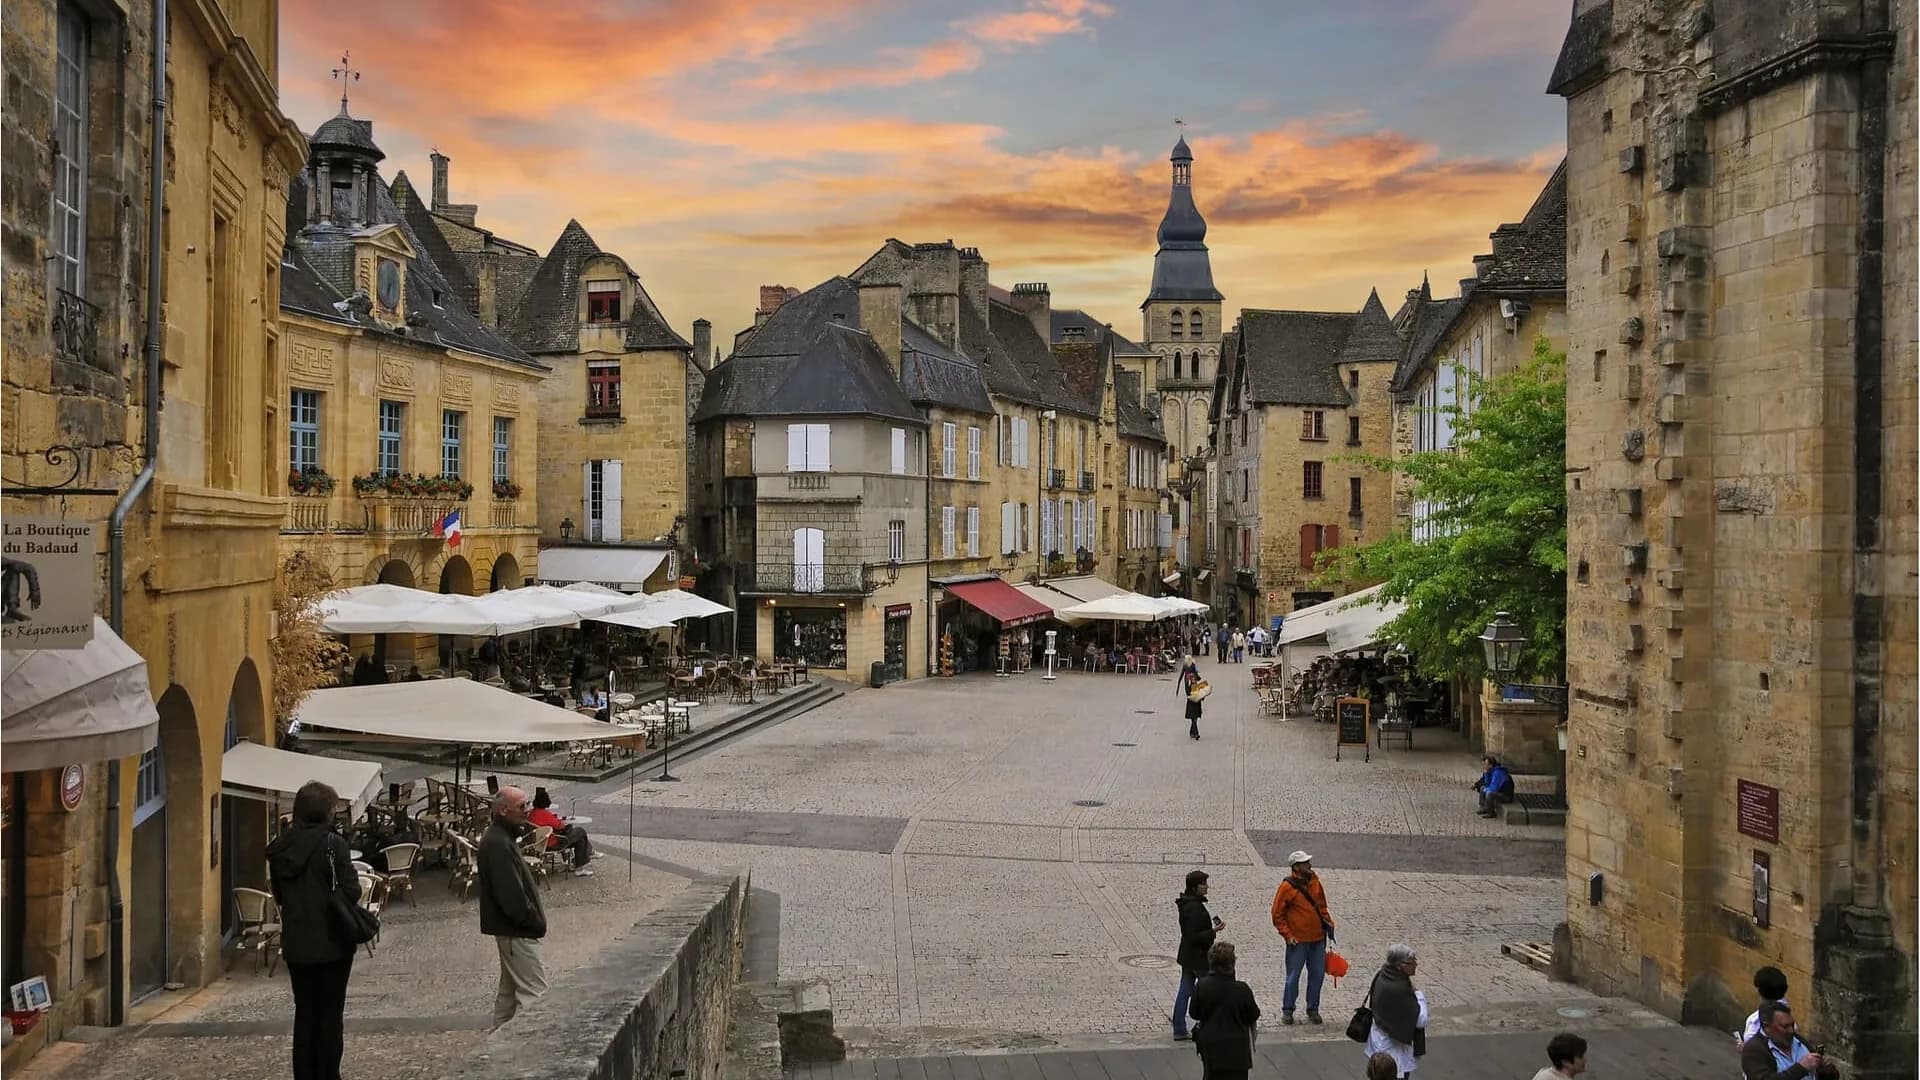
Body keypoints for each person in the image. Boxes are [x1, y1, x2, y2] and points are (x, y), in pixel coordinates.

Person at [266, 780, 359, 1080]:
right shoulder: (333, 845)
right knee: (330, 1016)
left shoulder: (280, 848)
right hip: (333, 942)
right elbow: (352, 891)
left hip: (297, 942)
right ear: (325, 812)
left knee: (305, 1013)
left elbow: (279, 896)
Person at [478, 785, 549, 1025]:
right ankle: (532, 1045)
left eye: (527, 804)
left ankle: (498, 1041)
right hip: (515, 931)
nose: (527, 810)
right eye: (522, 806)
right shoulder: (498, 843)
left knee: (508, 993)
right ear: (503, 811)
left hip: (509, 929)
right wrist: (532, 921)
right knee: (535, 993)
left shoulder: (500, 837)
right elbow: (510, 895)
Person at [1269, 850, 1335, 1024]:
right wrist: (1287, 934)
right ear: (1296, 867)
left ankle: (1313, 1008)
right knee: (1293, 976)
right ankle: (1288, 1009)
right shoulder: (1287, 887)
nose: (1309, 865)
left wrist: (1328, 923)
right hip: (1297, 940)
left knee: (1318, 974)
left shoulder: (1315, 882)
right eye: (1305, 863)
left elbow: (1322, 906)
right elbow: (1277, 914)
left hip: (1317, 939)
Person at [1189, 941, 1260, 1080]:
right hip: (1237, 1051)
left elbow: (1194, 1013)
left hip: (1211, 1049)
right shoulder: (1242, 989)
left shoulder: (1202, 986)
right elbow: (1253, 1014)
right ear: (1232, 964)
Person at [1172, 869, 1221, 1040]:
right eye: (1203, 884)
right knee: (1208, 991)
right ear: (1195, 887)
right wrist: (1213, 931)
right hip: (1199, 958)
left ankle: (1179, 1027)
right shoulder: (1193, 907)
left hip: (1188, 956)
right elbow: (1193, 936)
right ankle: (1208, 1026)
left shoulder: (1189, 904)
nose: (1207, 887)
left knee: (1185, 991)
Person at [1364, 944, 1427, 1077]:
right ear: (1400, 966)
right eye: (1412, 962)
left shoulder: (1382, 975)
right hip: (1392, 1051)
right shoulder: (1400, 989)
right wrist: (1419, 996)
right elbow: (1421, 1020)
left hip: (1380, 1042)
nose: (1416, 964)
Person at [1741, 1001, 1837, 1080]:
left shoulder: (1799, 1040)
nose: (1791, 1030)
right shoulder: (1753, 1050)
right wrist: (1801, 1068)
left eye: (1792, 1025)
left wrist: (1826, 1069)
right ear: (1767, 1026)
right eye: (1785, 1026)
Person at [529, 787, 595, 876]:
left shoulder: (532, 813)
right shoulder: (545, 814)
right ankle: (581, 863)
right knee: (580, 832)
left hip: (536, 843)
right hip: (551, 844)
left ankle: (576, 861)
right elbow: (561, 826)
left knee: (579, 839)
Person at [1737, 966, 1791, 1046]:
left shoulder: (1758, 1020)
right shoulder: (1787, 1015)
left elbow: (1754, 1046)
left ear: (1759, 991)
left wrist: (1745, 1048)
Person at [1179, 657, 1205, 740]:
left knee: (1195, 719)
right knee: (1194, 719)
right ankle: (1196, 733)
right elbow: (1189, 693)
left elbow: (1201, 692)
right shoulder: (1190, 685)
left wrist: (1202, 696)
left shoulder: (1194, 684)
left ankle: (1192, 732)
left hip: (1196, 703)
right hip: (1192, 703)